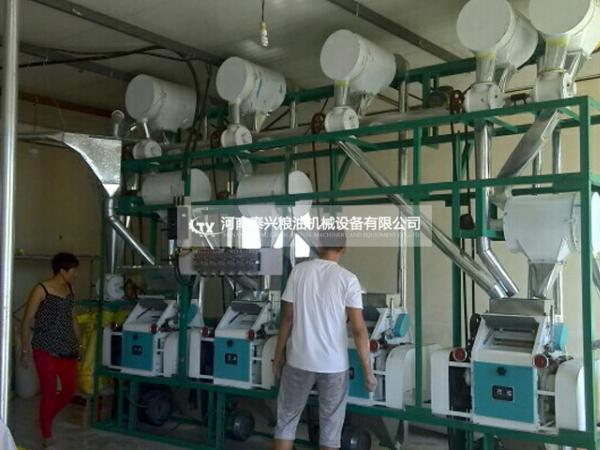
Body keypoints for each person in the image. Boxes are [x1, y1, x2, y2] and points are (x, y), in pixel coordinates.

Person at [272, 231, 376, 450]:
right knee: (330, 428)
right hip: (333, 365)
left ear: (319, 245)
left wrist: (278, 355)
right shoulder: (348, 279)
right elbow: (358, 330)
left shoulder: (299, 272)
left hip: (298, 360)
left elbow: (287, 318)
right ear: (344, 249)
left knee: (286, 421)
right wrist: (368, 371)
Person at [20, 252, 81, 448]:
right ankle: (46, 434)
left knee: (68, 392)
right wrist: (24, 350)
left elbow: (73, 319)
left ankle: (44, 417)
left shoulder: (69, 289)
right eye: (73, 271)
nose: (75, 274)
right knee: (49, 391)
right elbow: (26, 320)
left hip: (67, 348)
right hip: (44, 348)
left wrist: (79, 344)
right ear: (62, 271)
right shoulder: (41, 289)